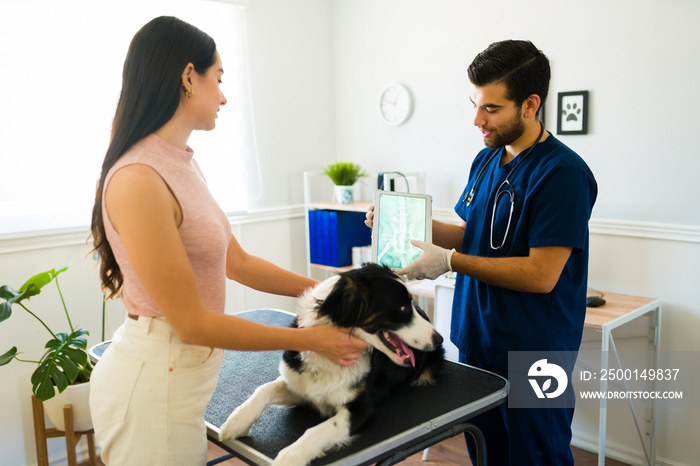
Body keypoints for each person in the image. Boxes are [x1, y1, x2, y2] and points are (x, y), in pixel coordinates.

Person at [88, 16, 367, 465]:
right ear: (187, 76)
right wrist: (317, 339)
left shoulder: (182, 163)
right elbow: (194, 323)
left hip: (182, 374)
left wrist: (330, 295)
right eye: (218, 78)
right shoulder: (138, 178)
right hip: (153, 383)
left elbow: (237, 262)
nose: (223, 95)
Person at [368, 40, 597, 465]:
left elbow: (541, 274)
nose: (477, 119)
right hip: (479, 340)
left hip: (534, 353)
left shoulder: (562, 174)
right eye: (474, 104)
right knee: (486, 451)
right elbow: (469, 233)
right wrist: (397, 220)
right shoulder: (486, 160)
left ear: (530, 104)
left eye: (491, 108)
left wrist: (449, 263)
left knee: (537, 455)